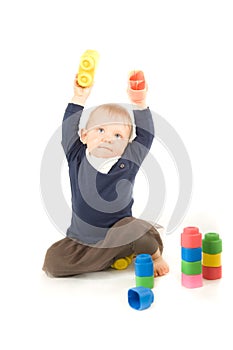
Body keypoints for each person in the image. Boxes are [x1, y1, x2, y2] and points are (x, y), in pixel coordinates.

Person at [42, 71, 169, 277]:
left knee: (136, 231)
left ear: (127, 143)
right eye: (100, 130)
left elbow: (146, 135)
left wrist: (139, 103)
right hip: (83, 241)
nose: (108, 138)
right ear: (84, 135)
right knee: (52, 262)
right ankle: (113, 258)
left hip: (121, 233)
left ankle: (152, 256)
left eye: (117, 135)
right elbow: (67, 129)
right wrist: (79, 97)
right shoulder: (77, 157)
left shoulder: (128, 161)